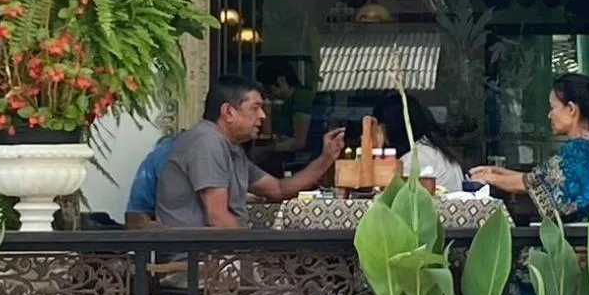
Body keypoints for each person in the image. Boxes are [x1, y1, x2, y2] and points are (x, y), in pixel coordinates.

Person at [155, 75, 344, 228]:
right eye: (256, 108)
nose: (263, 116)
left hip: (219, 252)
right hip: (197, 257)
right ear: (228, 112)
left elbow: (278, 189)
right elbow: (217, 217)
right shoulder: (207, 142)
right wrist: (251, 253)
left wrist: (326, 158)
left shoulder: (231, 147)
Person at [469, 74, 589, 222]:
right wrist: (495, 171)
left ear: (571, 109)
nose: (549, 115)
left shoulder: (577, 152)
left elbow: (529, 184)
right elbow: (537, 179)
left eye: (553, 107)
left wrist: (490, 178)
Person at [370, 92, 469, 195]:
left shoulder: (416, 159)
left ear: (387, 128)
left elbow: (383, 195)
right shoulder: (430, 150)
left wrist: (376, 151)